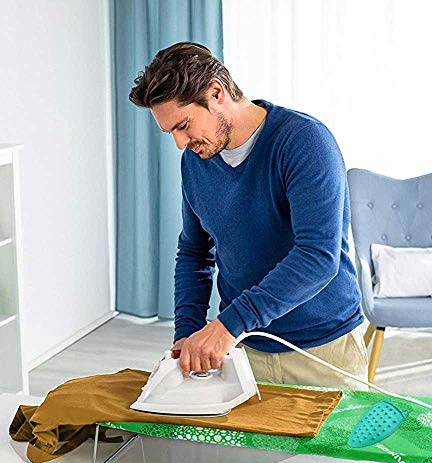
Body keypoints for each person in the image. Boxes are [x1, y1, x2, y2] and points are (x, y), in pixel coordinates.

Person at [129, 41, 368, 389]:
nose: (180, 143)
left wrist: (227, 325)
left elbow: (318, 256)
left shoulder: (304, 141)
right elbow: (194, 252)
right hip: (243, 350)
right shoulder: (195, 162)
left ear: (216, 93)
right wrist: (187, 332)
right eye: (171, 133)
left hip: (323, 350)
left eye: (183, 125)